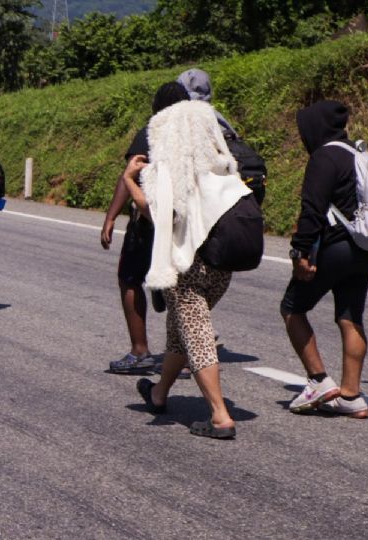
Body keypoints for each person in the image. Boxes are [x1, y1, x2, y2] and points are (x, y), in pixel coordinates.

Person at [129, 99, 252, 439]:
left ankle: (219, 416)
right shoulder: (225, 167)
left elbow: (157, 214)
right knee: (178, 331)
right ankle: (158, 394)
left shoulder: (167, 171)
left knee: (196, 336)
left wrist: (130, 180)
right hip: (221, 267)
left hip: (187, 268)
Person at [280, 101, 368, 419]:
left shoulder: (325, 156)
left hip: (334, 246)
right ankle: (351, 395)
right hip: (365, 247)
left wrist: (300, 252)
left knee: (293, 307)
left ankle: (319, 379)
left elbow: (312, 209)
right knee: (350, 317)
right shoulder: (360, 154)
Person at [101, 83, 190, 375]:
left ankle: (140, 352)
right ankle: (187, 355)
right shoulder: (194, 137)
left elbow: (131, 173)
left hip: (148, 221)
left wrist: (111, 217)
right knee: (182, 288)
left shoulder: (151, 133)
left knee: (129, 278)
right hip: (187, 222)